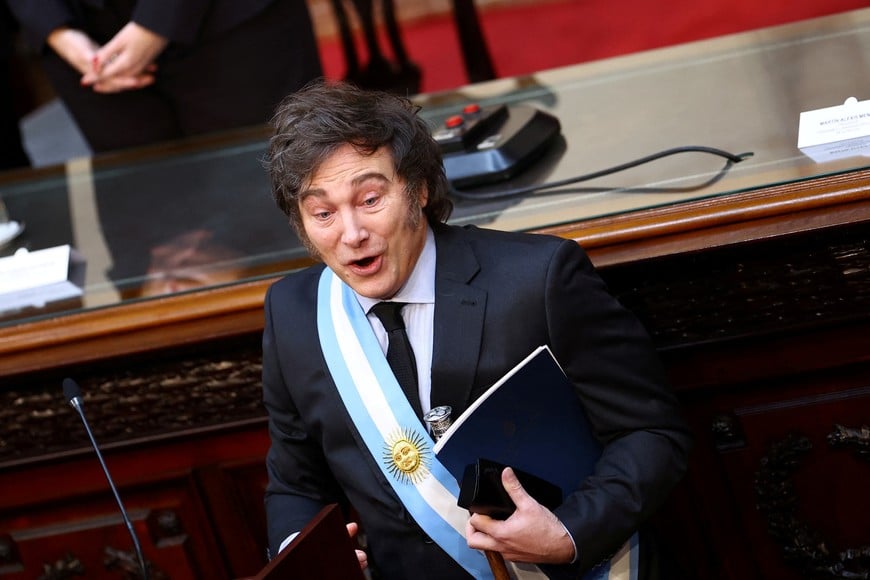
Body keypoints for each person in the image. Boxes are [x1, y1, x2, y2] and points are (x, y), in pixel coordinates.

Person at [261, 80, 693, 579]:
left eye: (371, 199)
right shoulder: (293, 313)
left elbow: (652, 432)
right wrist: (311, 558)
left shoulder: (540, 280)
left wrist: (570, 532)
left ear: (418, 189)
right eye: (323, 213)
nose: (352, 233)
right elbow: (296, 484)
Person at [5, 0, 323, 153]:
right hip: (81, 39)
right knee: (146, 226)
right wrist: (54, 28)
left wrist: (158, 20)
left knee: (271, 194)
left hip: (230, 23)